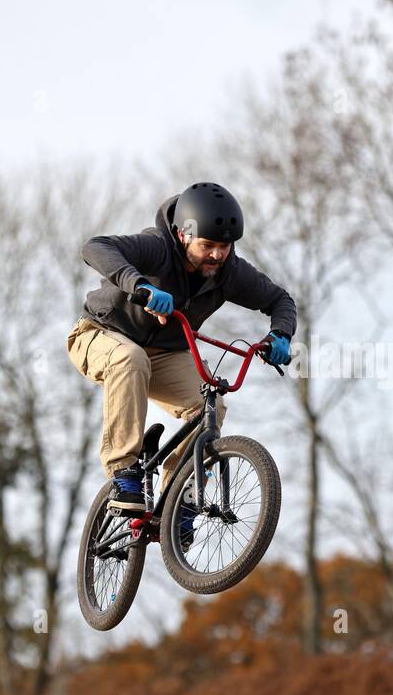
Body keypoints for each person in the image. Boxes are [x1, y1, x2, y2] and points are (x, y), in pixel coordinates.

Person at [66, 182, 295, 546]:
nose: (217, 256)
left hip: (167, 352)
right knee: (130, 358)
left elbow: (279, 299)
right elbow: (94, 247)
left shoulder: (230, 273)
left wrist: (280, 334)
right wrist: (139, 285)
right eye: (208, 246)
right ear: (182, 234)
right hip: (100, 334)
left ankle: (176, 499)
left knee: (211, 406)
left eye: (224, 247)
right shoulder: (157, 248)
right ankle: (124, 470)